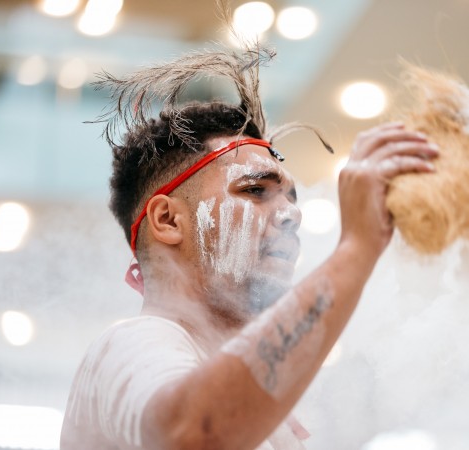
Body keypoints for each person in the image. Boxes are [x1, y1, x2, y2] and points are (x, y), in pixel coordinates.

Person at [60, 48, 439, 448]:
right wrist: (356, 250)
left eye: (291, 198)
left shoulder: (244, 394)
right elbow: (192, 435)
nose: (292, 215)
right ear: (169, 221)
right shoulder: (134, 343)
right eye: (255, 191)